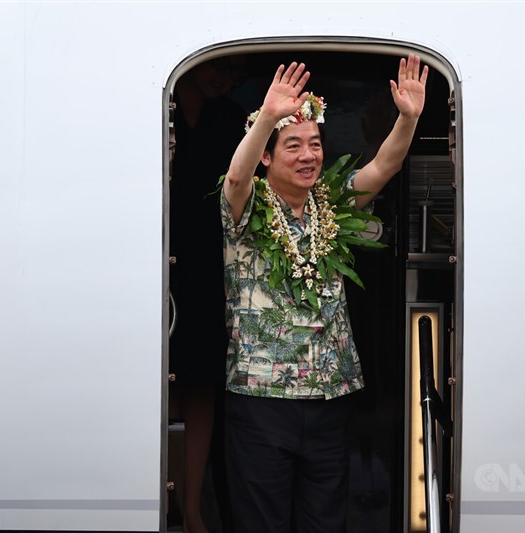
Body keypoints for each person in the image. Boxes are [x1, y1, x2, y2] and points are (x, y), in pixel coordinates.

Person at [219, 54, 428, 532]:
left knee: (326, 522)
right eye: (293, 145)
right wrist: (269, 117)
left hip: (330, 400)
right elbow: (235, 177)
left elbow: (383, 168)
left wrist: (408, 118)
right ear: (267, 155)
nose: (308, 155)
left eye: (315, 144)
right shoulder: (246, 207)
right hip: (261, 401)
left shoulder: (331, 204)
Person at [169, 56, 246, 533]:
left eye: (234, 70)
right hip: (160, 261)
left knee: (202, 388)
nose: (225, 75)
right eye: (220, 65)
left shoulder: (235, 119)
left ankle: (194, 510)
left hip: (213, 268)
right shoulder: (157, 110)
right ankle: (164, 500)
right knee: (163, 388)